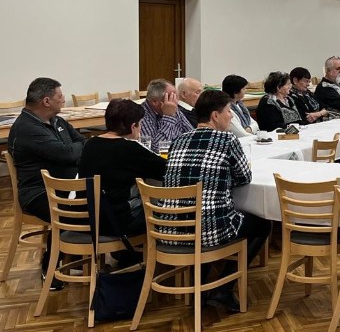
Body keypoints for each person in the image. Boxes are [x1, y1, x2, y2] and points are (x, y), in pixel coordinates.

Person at [163, 90, 270, 312]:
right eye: (228, 111)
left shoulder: (178, 140)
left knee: (204, 212)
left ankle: (201, 287)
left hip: (170, 228)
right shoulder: (227, 140)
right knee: (262, 224)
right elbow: (244, 177)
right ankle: (223, 288)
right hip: (206, 231)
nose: (231, 116)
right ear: (215, 116)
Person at [78, 98, 167, 238]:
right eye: (140, 124)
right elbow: (165, 170)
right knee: (163, 211)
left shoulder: (90, 143)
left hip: (87, 218)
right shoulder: (130, 148)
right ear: (133, 127)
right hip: (116, 222)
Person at [8, 77, 86, 225]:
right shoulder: (27, 128)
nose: (63, 99)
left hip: (68, 186)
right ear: (46, 101)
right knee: (90, 214)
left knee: (107, 203)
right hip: (40, 192)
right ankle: (60, 240)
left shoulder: (57, 120)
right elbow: (66, 154)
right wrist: (74, 149)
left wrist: (74, 149)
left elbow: (84, 142)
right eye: (60, 96)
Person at [139, 79, 194, 144]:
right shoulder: (141, 116)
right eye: (171, 98)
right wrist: (168, 117)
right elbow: (155, 148)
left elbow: (192, 135)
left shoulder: (174, 108)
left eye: (176, 97)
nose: (176, 102)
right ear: (155, 101)